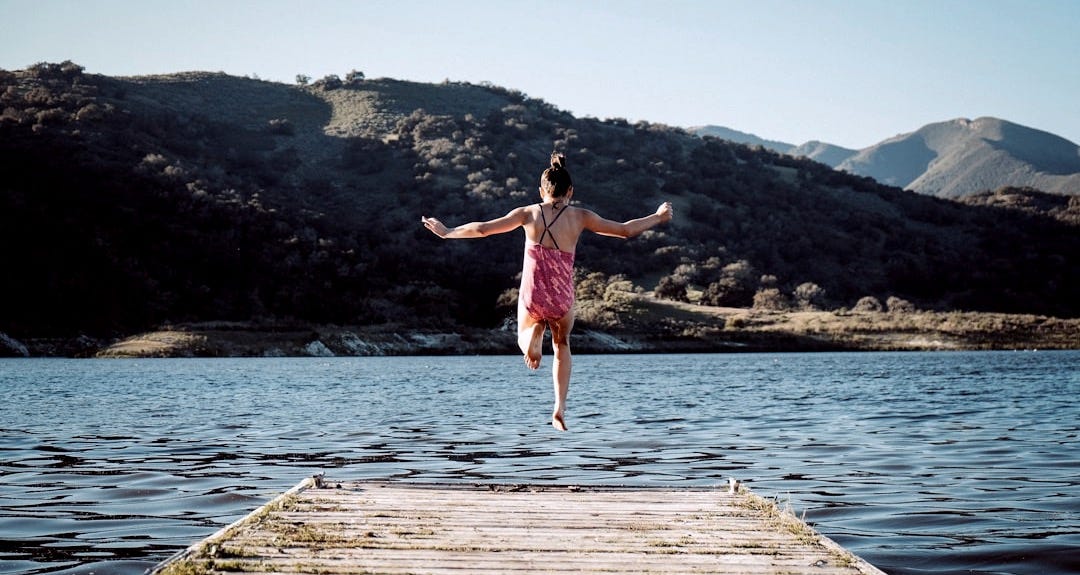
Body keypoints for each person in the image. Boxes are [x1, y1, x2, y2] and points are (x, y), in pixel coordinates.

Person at [421, 153, 673, 431]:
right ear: (570, 192)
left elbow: (482, 230)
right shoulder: (581, 217)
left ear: (540, 191)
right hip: (562, 296)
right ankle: (559, 408)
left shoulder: (528, 213)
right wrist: (658, 217)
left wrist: (447, 231)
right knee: (562, 344)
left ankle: (533, 334)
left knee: (523, 336)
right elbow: (625, 230)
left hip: (533, 293)